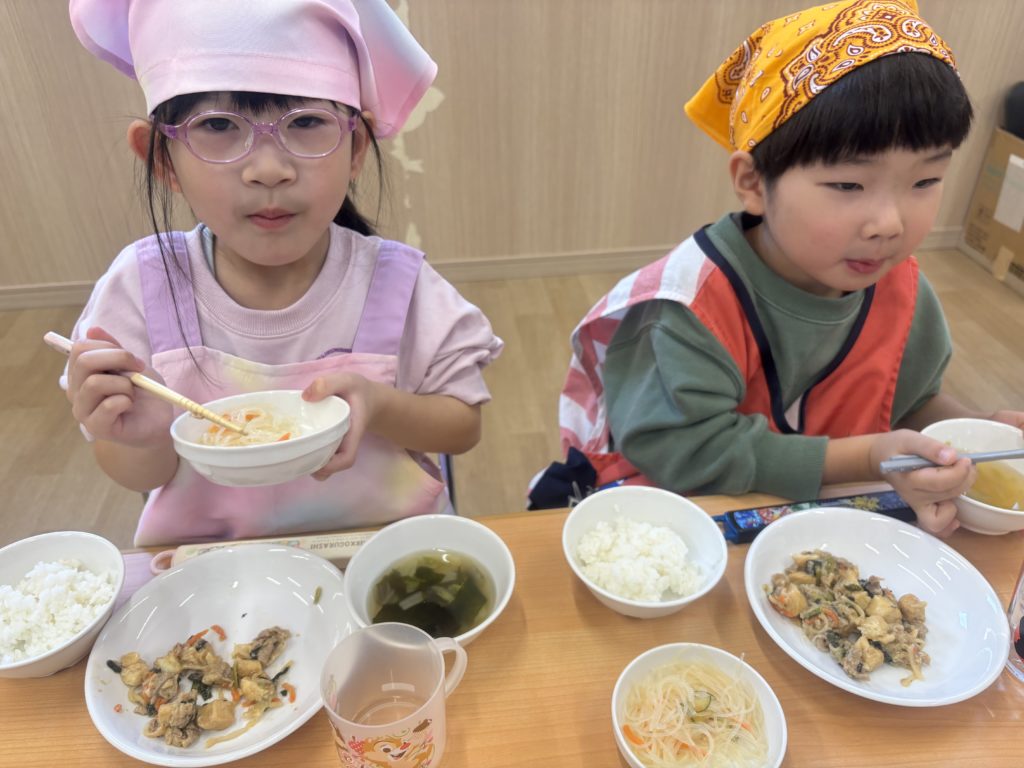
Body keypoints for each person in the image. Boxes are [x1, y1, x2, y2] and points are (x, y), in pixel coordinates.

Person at [539, 0, 1023, 535]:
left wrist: (973, 438)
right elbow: (686, 453)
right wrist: (868, 457)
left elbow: (911, 400)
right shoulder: (688, 307)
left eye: (925, 181)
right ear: (752, 183)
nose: (889, 223)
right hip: (686, 526)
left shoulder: (903, 291)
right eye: (848, 184)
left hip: (829, 528)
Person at [62, 0, 502, 546]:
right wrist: (140, 436)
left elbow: (462, 427)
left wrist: (380, 404)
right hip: (218, 573)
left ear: (356, 147)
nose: (269, 170)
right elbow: (139, 474)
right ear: (162, 159)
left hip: (384, 557)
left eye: (307, 123)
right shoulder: (142, 288)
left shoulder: (397, 284)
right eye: (218, 125)